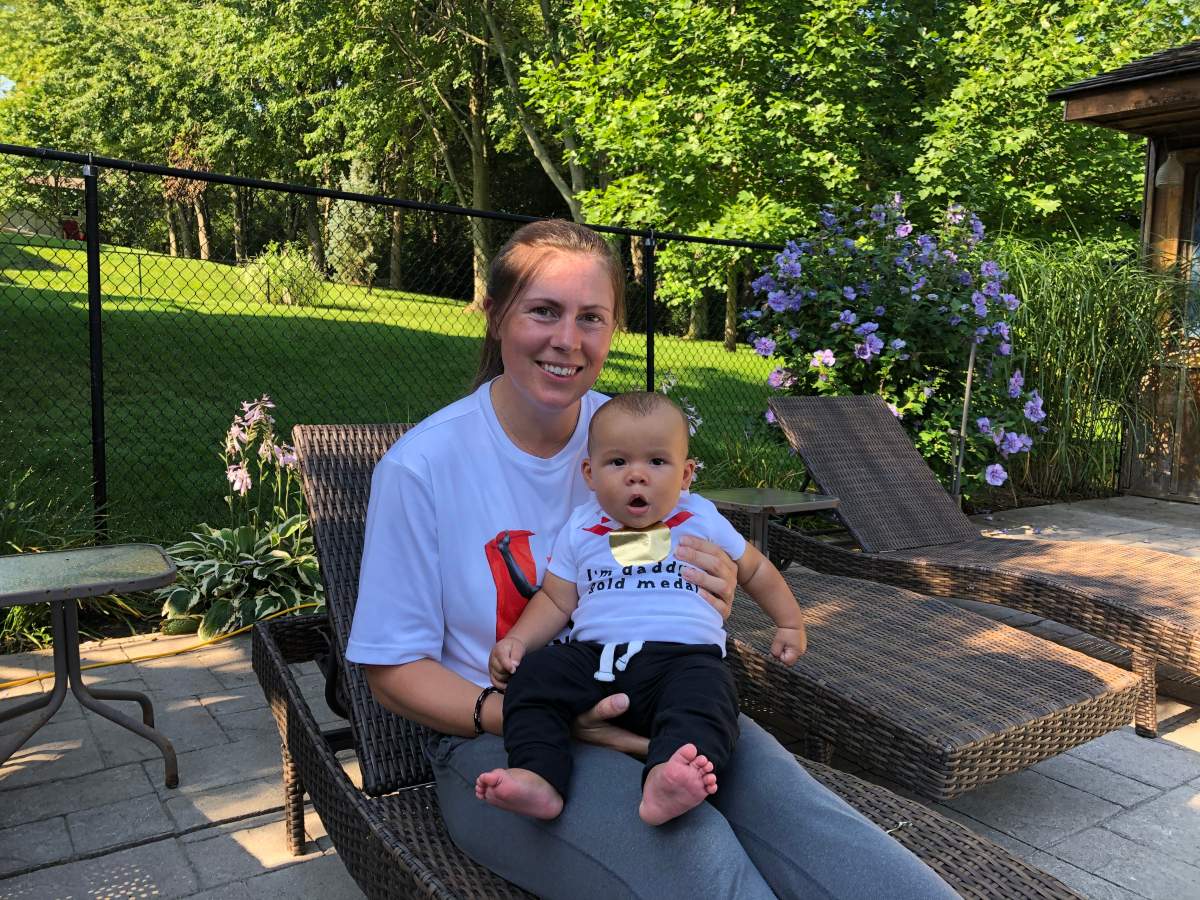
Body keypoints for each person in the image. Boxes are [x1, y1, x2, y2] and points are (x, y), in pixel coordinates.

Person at [348, 219, 957, 899]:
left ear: (613, 329)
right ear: (494, 316)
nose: (567, 340)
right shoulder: (424, 469)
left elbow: (658, 558)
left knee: (832, 842)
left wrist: (712, 582)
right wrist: (536, 714)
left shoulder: (630, 437)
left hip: (661, 694)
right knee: (702, 868)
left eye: (591, 317)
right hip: (498, 736)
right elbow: (392, 671)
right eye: (543, 311)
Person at [477, 391, 807, 826]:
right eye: (618, 462)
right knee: (534, 678)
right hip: (596, 660)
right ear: (590, 474)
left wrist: (789, 622)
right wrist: (518, 640)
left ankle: (666, 780)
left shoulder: (701, 517)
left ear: (686, 474)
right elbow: (556, 599)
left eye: (656, 461)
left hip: (683, 660)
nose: (637, 476)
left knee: (709, 696)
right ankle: (538, 774)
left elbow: (755, 568)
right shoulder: (581, 527)